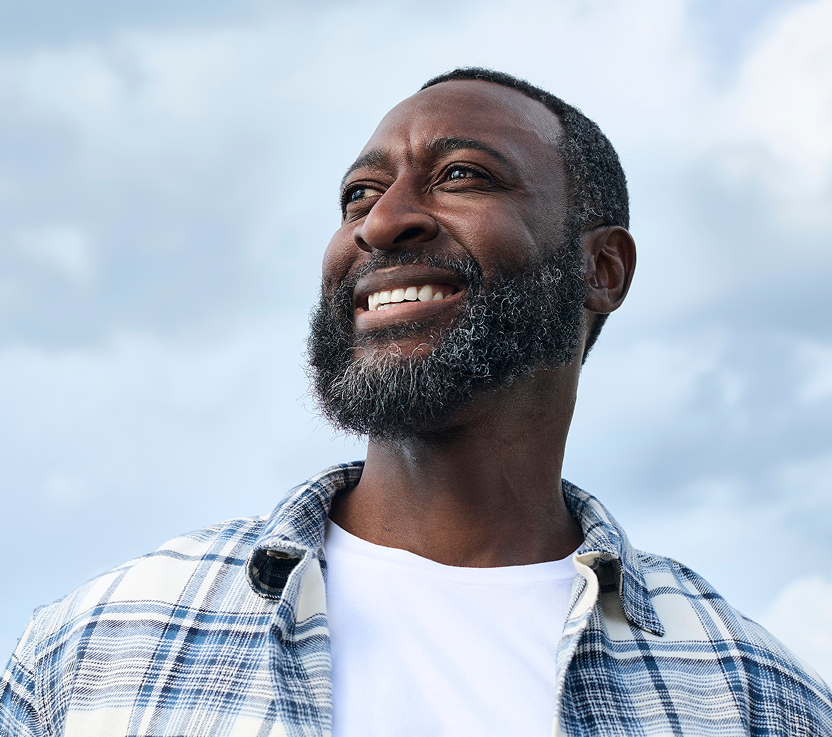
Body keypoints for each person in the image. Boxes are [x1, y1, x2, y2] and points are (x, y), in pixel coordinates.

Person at [1, 68, 830, 737]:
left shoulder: (750, 696)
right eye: (358, 195)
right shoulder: (98, 651)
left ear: (602, 270)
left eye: (462, 176)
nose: (382, 221)